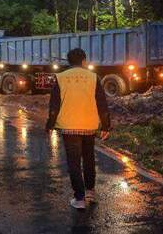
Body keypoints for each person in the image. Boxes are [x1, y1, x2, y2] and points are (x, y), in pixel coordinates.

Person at [46, 48, 111, 210]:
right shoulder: (93, 77)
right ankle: (90, 191)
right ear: (83, 61)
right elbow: (102, 104)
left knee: (74, 163)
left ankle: (79, 199)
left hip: (69, 127)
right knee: (89, 159)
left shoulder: (60, 78)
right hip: (89, 126)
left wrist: (50, 124)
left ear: (69, 62)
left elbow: (54, 105)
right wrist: (106, 126)